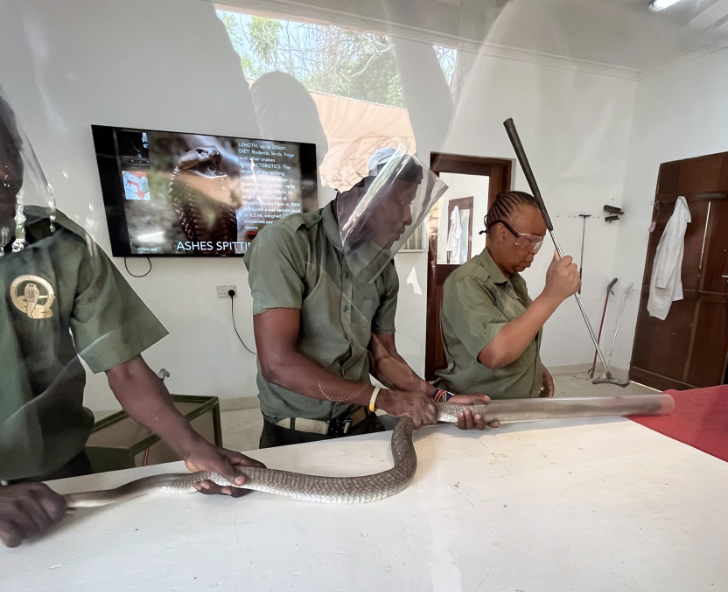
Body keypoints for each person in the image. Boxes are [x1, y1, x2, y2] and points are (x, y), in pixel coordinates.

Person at [0, 91, 264, 549]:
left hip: (55, 476)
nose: (8, 176)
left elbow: (124, 366)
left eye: (10, 155)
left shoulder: (59, 245)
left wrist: (191, 446)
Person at [245, 153, 493, 448]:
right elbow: (277, 363)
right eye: (401, 202)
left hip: (362, 426)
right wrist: (382, 398)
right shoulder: (287, 244)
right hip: (296, 436)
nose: (408, 217)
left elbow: (383, 357)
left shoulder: (380, 265)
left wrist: (441, 398)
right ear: (361, 196)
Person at [436, 191, 581, 400]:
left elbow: (518, 333)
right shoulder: (467, 281)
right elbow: (496, 353)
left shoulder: (513, 281)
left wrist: (535, 369)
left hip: (513, 409)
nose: (534, 251)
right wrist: (551, 296)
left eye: (538, 242)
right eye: (529, 240)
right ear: (502, 233)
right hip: (478, 413)